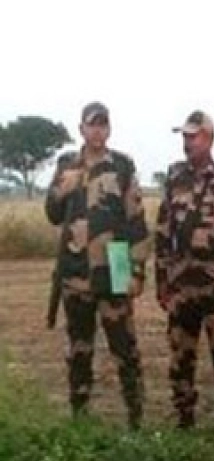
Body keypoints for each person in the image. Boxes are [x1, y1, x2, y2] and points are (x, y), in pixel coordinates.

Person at [44, 101, 148, 429]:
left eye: (103, 124)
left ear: (109, 128)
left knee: (125, 348)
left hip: (115, 264)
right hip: (75, 272)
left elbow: (136, 220)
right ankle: (80, 417)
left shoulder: (121, 165)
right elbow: (52, 215)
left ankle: (136, 418)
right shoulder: (66, 164)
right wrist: (63, 188)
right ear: (81, 129)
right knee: (79, 349)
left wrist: (137, 269)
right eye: (92, 124)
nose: (98, 130)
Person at [155, 111, 214, 430]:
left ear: (209, 138)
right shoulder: (174, 178)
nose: (187, 143)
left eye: (192, 137)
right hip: (181, 284)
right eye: (184, 137)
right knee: (180, 355)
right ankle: (184, 417)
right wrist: (161, 280)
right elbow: (163, 230)